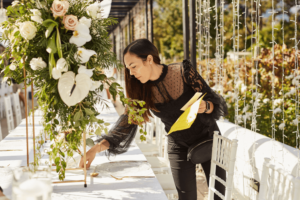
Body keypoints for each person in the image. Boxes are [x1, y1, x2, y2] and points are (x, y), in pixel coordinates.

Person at [79, 39, 228, 200]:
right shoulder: (140, 88)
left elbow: (214, 101)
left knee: (219, 195)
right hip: (178, 145)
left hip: (208, 138)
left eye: (133, 66)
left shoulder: (182, 71)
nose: (131, 73)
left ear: (149, 59)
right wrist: (96, 148)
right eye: (128, 68)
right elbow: (127, 123)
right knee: (186, 197)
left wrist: (206, 106)